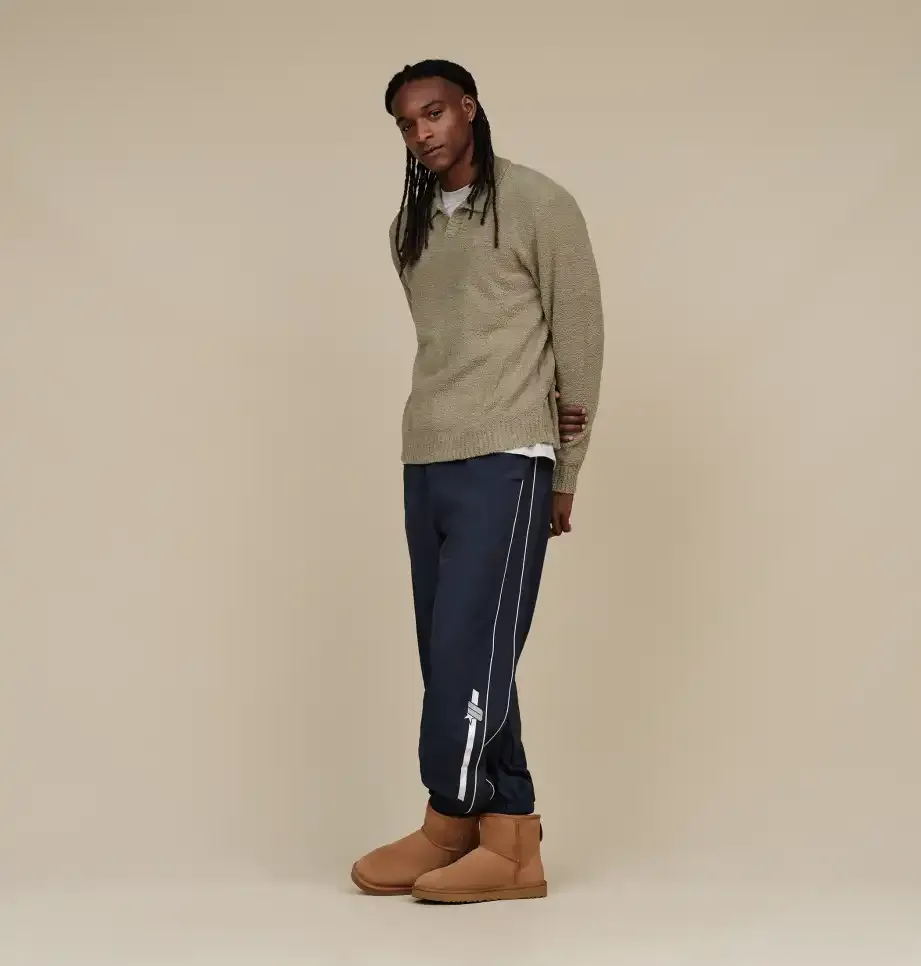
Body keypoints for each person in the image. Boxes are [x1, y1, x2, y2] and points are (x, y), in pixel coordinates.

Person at [351, 59, 604, 903]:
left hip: (510, 457)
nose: (421, 132)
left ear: (468, 108)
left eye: (432, 113)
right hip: (427, 457)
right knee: (456, 650)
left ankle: (449, 812)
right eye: (405, 123)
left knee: (468, 650)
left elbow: (580, 342)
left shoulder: (539, 204)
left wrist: (566, 471)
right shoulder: (409, 227)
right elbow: (447, 345)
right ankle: (505, 838)